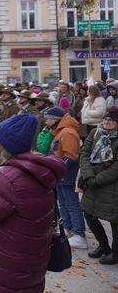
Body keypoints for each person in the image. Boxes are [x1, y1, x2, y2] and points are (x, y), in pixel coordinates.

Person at [0, 114, 67, 292]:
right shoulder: (41, 172)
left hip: (2, 265)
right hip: (30, 263)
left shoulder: (4, 179)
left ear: (4, 144)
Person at [43, 107, 87, 249]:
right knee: (62, 202)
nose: (45, 121)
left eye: (48, 118)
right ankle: (68, 228)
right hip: (59, 174)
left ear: (55, 120)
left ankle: (79, 234)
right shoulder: (60, 131)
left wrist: (59, 168)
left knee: (72, 203)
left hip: (66, 174)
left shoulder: (67, 132)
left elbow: (71, 155)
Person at [79, 108, 118, 264]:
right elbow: (84, 153)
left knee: (114, 220)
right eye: (106, 118)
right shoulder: (95, 133)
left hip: (112, 184)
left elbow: (116, 167)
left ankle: (116, 252)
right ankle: (103, 246)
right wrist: (88, 175)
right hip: (92, 180)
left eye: (112, 119)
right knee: (89, 213)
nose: (107, 121)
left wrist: (97, 179)